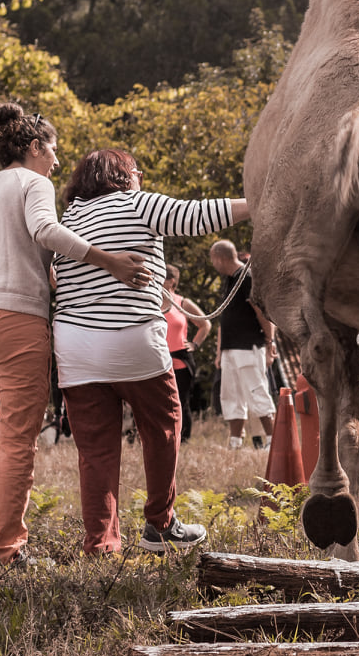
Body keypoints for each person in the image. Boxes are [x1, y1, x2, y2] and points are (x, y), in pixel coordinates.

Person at [0, 102, 150, 567]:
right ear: (35, 146)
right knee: (21, 435)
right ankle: (6, 550)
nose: (58, 161)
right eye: (54, 150)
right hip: (14, 319)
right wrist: (108, 260)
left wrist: (52, 276)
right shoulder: (33, 182)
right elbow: (45, 230)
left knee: (12, 414)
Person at [53, 149, 248, 555]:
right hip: (132, 338)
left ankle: (101, 543)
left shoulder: (69, 218)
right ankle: (161, 523)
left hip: (74, 346)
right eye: (137, 171)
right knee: (163, 427)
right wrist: (264, 201)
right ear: (124, 175)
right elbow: (199, 215)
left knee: (95, 451)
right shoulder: (136, 202)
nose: (140, 178)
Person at [209, 238, 277, 450]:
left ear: (219, 259)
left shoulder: (247, 278)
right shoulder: (230, 280)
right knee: (231, 395)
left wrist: (270, 342)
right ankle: (235, 442)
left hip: (248, 346)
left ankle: (272, 440)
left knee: (257, 392)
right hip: (230, 347)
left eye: (212, 260)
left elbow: (263, 313)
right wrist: (220, 351)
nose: (213, 264)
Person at [161, 264, 211, 442]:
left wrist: (195, 344)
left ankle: (183, 439)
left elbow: (205, 324)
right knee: (157, 402)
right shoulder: (151, 302)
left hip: (180, 359)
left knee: (181, 401)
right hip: (157, 359)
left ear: (171, 282)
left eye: (161, 277)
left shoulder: (182, 303)